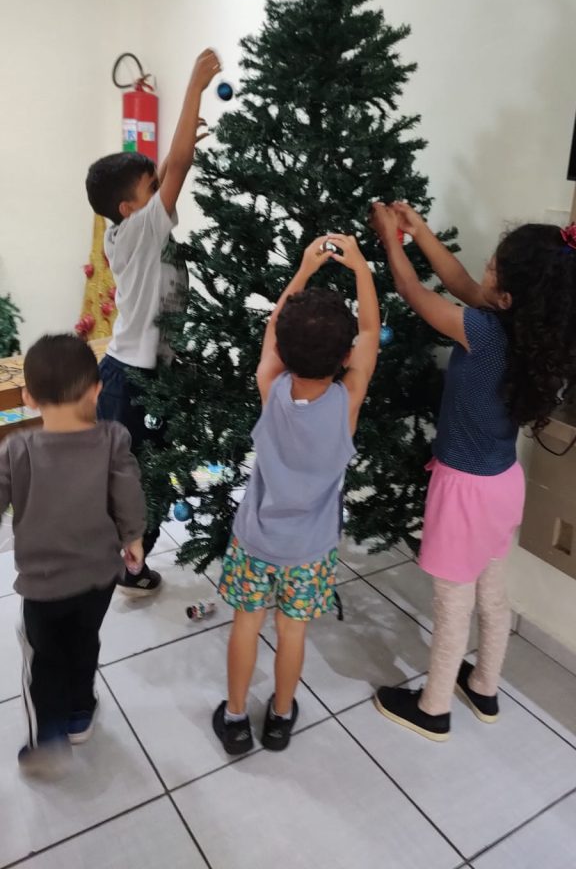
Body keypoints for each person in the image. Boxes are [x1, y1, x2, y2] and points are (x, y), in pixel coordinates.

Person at [370, 202, 576, 741]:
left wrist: (391, 240)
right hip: (503, 484)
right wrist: (419, 231)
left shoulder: (483, 333)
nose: (484, 268)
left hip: (464, 489)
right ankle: (484, 685)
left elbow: (413, 291)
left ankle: (433, 707)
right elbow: (459, 280)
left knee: (453, 600)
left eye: (494, 267)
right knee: (491, 587)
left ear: (507, 296)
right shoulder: (531, 332)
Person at [213, 234, 380, 755]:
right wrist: (360, 268)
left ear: (283, 353)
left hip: (255, 540)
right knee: (292, 633)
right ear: (346, 356)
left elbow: (272, 330)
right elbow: (371, 331)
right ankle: (280, 718)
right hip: (310, 550)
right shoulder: (347, 401)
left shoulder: (272, 386)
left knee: (246, 627)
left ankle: (235, 718)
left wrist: (304, 269)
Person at [86, 48, 220, 595]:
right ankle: (120, 563)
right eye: (151, 189)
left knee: (146, 468)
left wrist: (164, 164)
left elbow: (166, 171)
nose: (161, 189)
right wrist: (195, 87)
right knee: (133, 472)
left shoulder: (129, 229)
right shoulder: (141, 231)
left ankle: (128, 561)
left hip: (143, 372)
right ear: (130, 208)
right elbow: (178, 167)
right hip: (132, 378)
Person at [0, 334, 147, 778]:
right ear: (97, 390)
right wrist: (133, 538)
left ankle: (50, 738)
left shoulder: (17, 450)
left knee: (44, 659)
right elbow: (128, 493)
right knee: (84, 642)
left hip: (44, 588)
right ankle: (81, 713)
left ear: (29, 398)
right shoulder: (113, 439)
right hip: (99, 579)